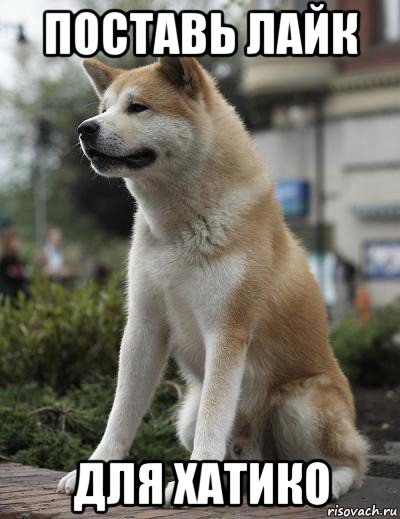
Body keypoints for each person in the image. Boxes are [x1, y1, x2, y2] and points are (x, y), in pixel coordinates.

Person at [0, 229, 28, 299]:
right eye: (16, 241)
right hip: (9, 295)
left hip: (17, 293)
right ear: (9, 243)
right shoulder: (5, 259)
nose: (19, 243)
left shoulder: (16, 258)